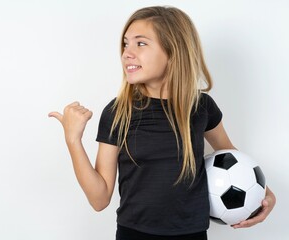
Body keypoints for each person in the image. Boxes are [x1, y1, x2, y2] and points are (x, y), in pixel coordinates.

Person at [49, 6, 276, 240]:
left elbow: (231, 156)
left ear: (173, 51)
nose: (127, 53)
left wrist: (265, 194)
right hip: (134, 234)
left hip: (192, 234)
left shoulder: (201, 107)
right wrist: (73, 140)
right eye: (125, 44)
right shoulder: (118, 112)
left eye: (141, 43)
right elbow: (99, 199)